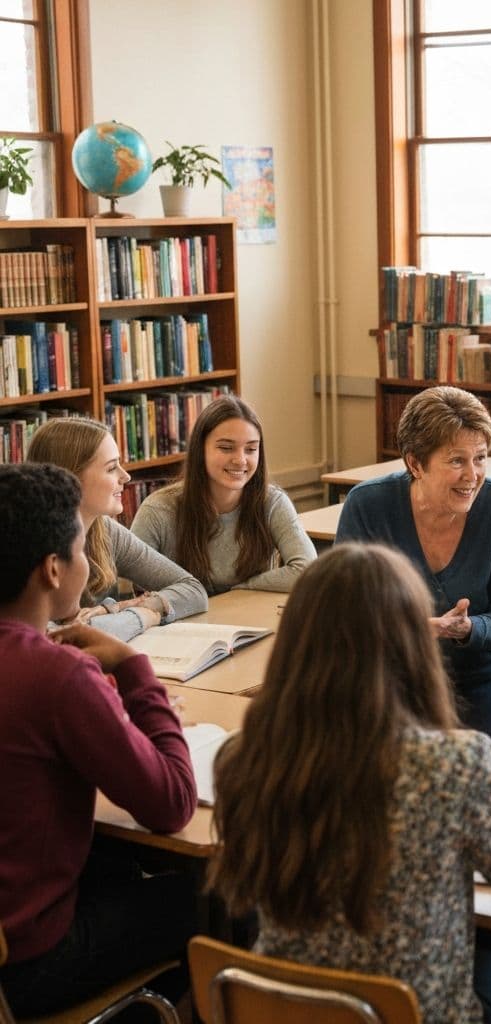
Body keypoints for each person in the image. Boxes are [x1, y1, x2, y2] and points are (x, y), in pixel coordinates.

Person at [209, 542, 491, 1024]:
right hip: (409, 1013)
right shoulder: (453, 765)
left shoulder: (242, 760)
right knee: (489, 948)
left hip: (285, 1009)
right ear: (412, 646)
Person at [0, 463, 197, 1016]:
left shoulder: (47, 670)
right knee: (218, 897)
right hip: (29, 959)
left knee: (113, 861)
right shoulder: (56, 676)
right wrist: (136, 671)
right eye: (82, 548)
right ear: (52, 570)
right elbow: (172, 802)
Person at [336, 386, 491, 744]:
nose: (472, 475)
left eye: (481, 458)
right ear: (415, 463)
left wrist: (464, 628)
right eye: (457, 461)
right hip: (396, 673)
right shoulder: (368, 505)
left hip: (487, 676)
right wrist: (408, 628)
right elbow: (346, 612)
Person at [26, 417, 208, 640]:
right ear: (70, 478)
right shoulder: (25, 543)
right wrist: (143, 615)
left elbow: (192, 590)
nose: (126, 476)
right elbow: (59, 640)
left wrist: (111, 609)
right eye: (112, 468)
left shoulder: (105, 531)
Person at [131, 396, 316, 594]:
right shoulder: (158, 510)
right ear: (200, 450)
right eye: (226, 448)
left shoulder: (272, 502)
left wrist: (239, 590)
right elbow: (137, 583)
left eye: (251, 449)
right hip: (182, 621)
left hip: (246, 617)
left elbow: (307, 571)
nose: (240, 460)